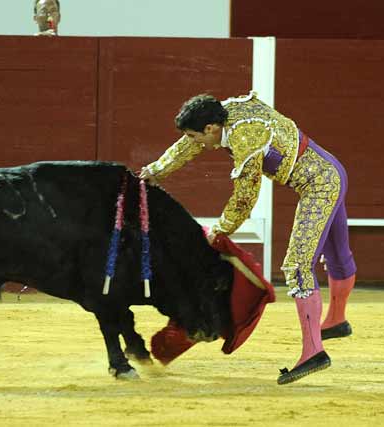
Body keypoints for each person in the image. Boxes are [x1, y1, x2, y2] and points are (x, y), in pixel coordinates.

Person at [140, 92, 356, 385]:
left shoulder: (246, 136)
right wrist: (156, 171)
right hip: (332, 171)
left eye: (197, 136)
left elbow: (246, 196)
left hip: (320, 185)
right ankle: (336, 320)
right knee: (338, 253)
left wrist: (222, 228)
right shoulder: (221, 113)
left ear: (211, 130)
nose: (196, 142)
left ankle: (314, 351)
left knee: (296, 266)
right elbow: (187, 145)